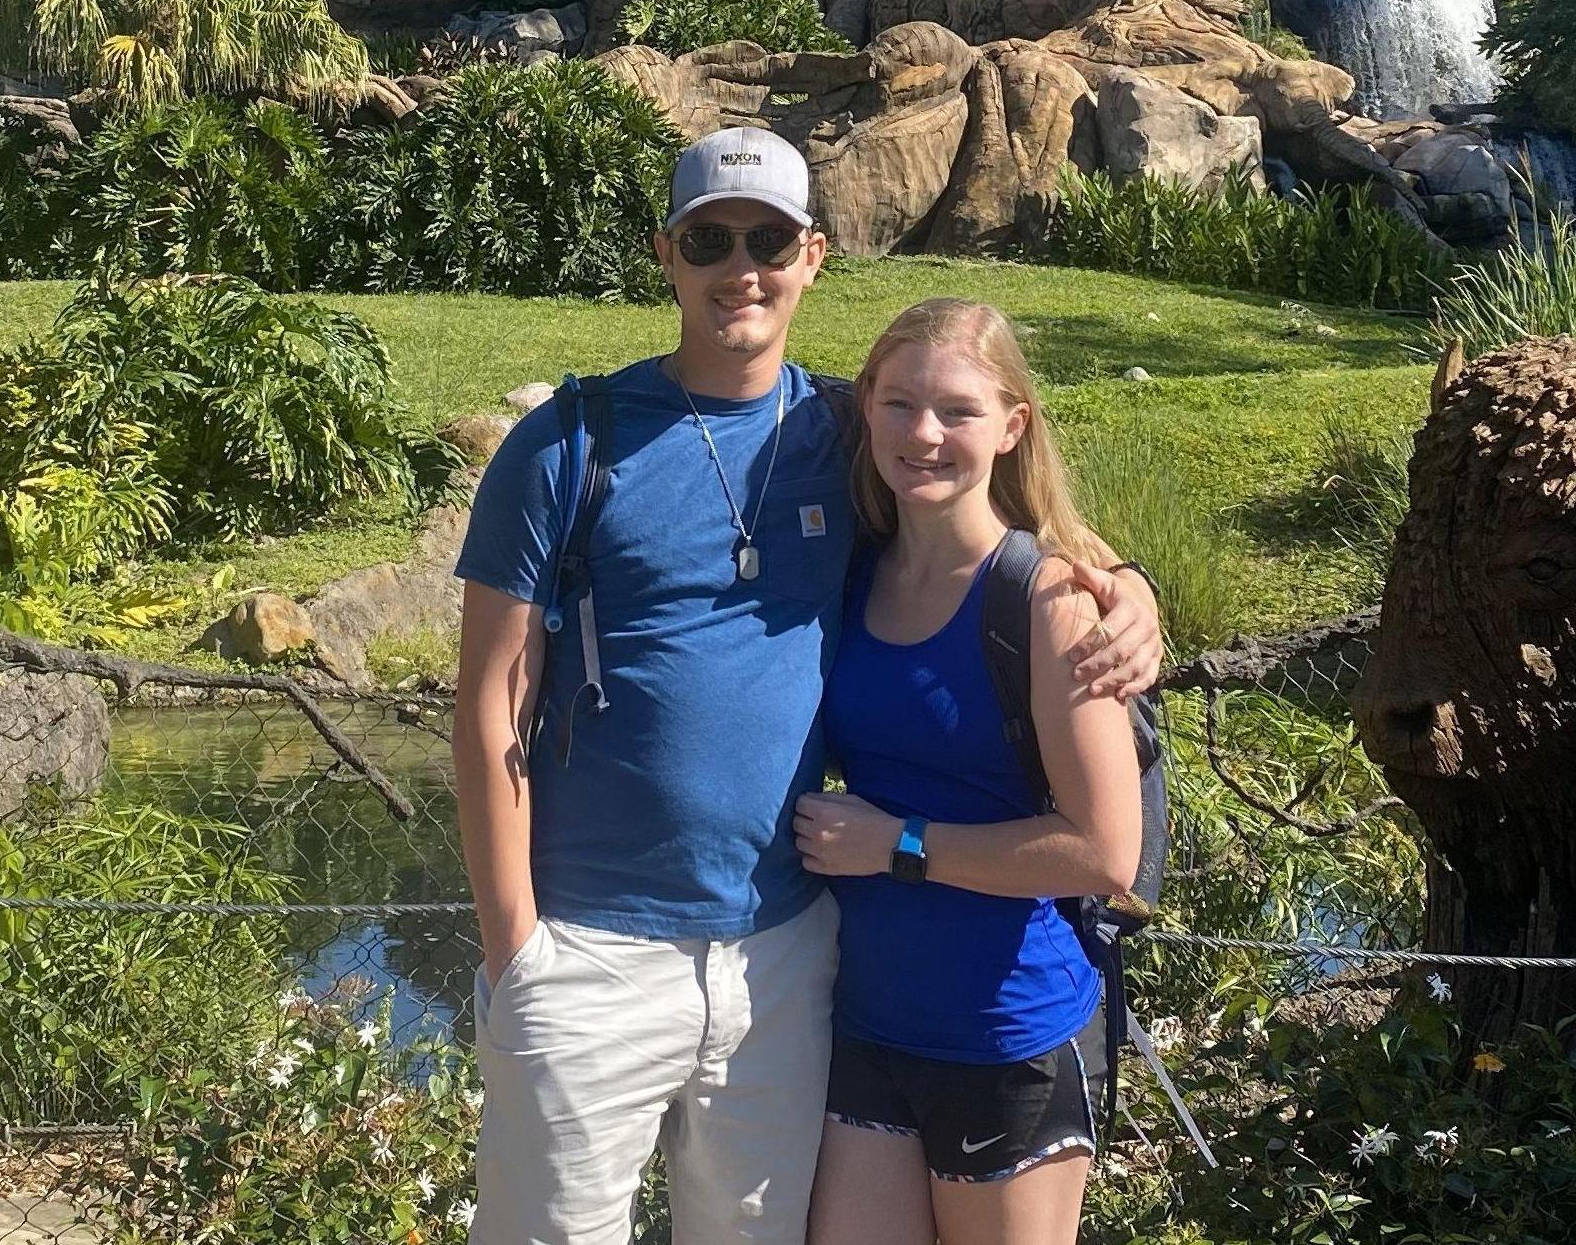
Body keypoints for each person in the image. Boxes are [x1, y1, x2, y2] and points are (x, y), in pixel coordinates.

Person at [452, 128, 1165, 1245]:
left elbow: (1004, 509)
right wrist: (515, 947)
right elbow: (489, 698)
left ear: (812, 256)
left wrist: (1128, 587)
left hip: (781, 950)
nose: (742, 265)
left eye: (769, 239)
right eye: (711, 238)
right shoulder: (565, 444)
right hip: (590, 948)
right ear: (668, 254)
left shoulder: (846, 424)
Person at [791, 298, 1139, 1245]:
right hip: (865, 1024)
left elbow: (1104, 851)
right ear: (865, 406)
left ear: (1014, 424)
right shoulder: (852, 566)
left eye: (958, 411)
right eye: (899, 403)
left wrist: (897, 846)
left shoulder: (1051, 598)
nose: (924, 434)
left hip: (1007, 1034)